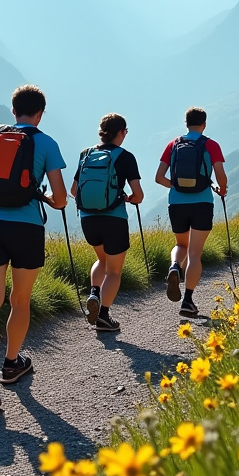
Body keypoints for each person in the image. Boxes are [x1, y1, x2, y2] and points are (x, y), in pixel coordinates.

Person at [0, 85, 67, 409]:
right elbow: (61, 198)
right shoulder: (46, 143)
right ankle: (10, 364)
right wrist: (40, 196)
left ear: (13, 110)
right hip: (26, 228)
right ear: (40, 114)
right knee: (19, 299)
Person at [70, 113, 143, 333]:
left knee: (101, 259)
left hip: (88, 219)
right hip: (114, 219)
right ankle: (103, 315)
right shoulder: (125, 157)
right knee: (114, 271)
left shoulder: (86, 154)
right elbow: (138, 195)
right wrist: (128, 198)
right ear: (121, 132)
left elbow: (73, 190)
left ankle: (94, 293)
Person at [154, 107, 228, 318]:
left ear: (186, 123)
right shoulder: (211, 145)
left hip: (176, 203)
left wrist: (176, 187)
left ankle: (174, 266)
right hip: (202, 202)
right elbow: (220, 175)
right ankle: (187, 301)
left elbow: (158, 177)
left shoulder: (173, 145)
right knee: (195, 254)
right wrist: (222, 190)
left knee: (181, 245)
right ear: (204, 124)